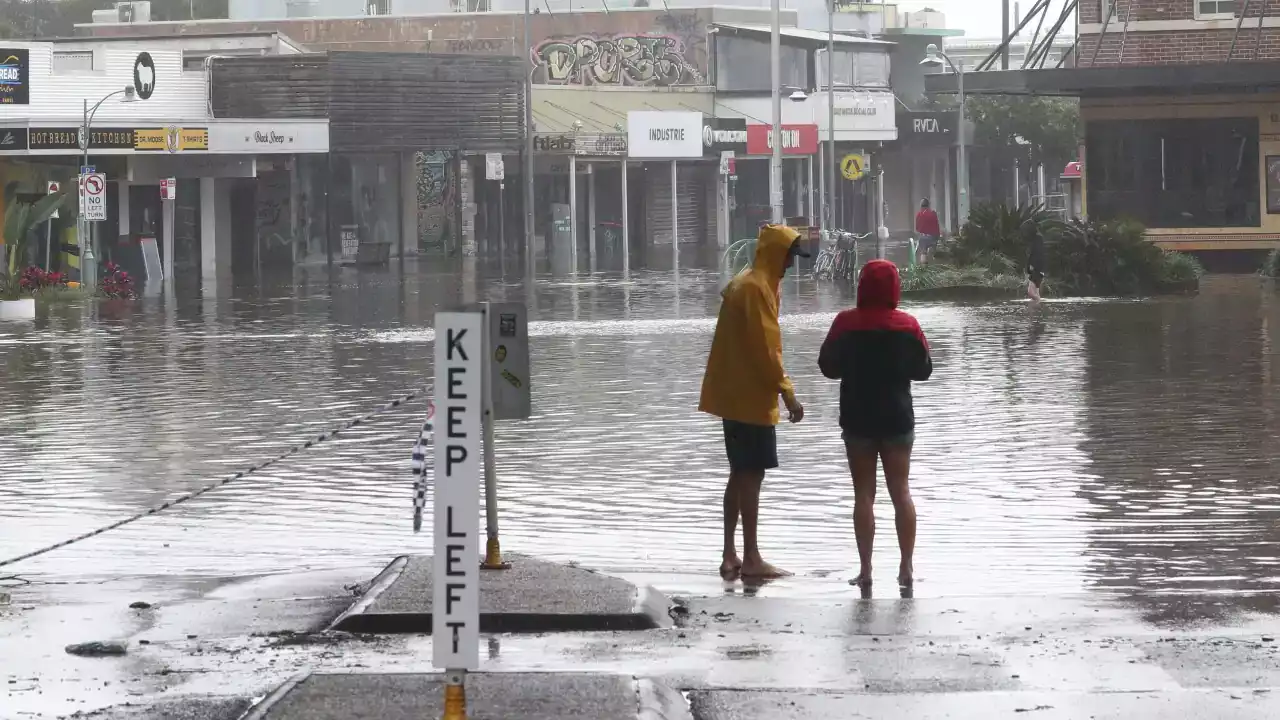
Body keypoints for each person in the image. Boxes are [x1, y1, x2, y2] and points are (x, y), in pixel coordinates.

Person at [700, 224, 810, 580]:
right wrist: (788, 393)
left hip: (734, 396)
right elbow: (767, 350)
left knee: (739, 472)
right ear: (777, 255)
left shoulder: (747, 282)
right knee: (751, 474)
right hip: (749, 399)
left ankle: (730, 554)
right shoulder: (756, 289)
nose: (792, 265)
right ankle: (751, 557)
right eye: (790, 257)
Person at [818, 260, 932, 589]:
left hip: (857, 419)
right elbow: (924, 370)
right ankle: (906, 568)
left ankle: (866, 570)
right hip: (897, 419)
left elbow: (827, 366)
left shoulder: (844, 323)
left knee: (863, 495)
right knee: (901, 492)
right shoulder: (908, 326)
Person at [1024, 220, 1047, 302]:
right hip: (1037, 269)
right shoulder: (1035, 239)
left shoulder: (1038, 238)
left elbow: (1038, 254)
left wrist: (1033, 266)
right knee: (1036, 294)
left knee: (1031, 293)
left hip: (1037, 269)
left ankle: (1039, 304)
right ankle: (1037, 310)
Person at [914, 198, 942, 265]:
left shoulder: (919, 214)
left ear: (921, 205)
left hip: (923, 237)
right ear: (928, 205)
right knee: (932, 252)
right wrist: (938, 237)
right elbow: (936, 226)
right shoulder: (933, 213)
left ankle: (923, 266)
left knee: (923, 252)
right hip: (932, 237)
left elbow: (917, 228)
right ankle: (932, 262)